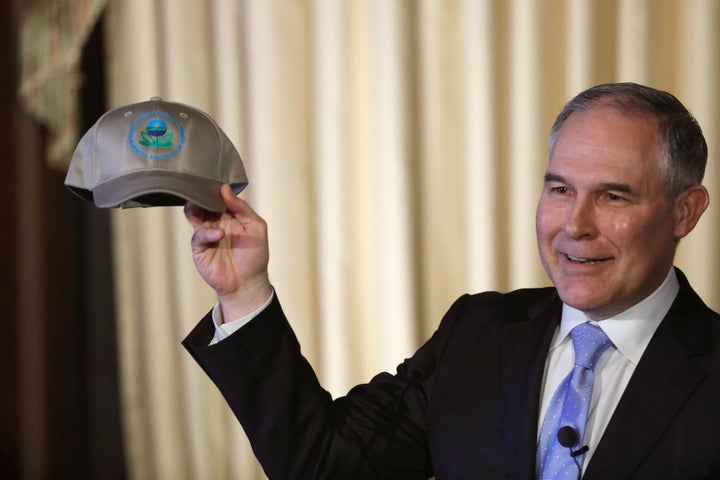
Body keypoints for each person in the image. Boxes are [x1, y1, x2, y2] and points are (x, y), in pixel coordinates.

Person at [182, 83, 720, 479]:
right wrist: (244, 291)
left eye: (613, 196)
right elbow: (325, 464)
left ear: (685, 213)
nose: (575, 226)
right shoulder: (479, 332)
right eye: (559, 191)